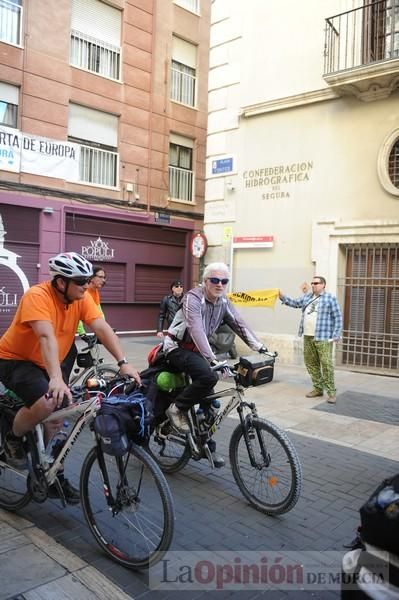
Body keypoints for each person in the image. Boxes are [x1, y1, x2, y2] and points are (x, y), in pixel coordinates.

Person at [0, 252, 141, 504]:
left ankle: (48, 469)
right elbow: (45, 337)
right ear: (61, 283)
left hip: (53, 358)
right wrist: (55, 378)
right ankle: (13, 436)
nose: (86, 285)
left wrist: (123, 363)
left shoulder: (81, 298)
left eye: (88, 280)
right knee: (47, 401)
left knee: (59, 416)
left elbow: (101, 327)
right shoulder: (37, 296)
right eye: (80, 281)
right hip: (15, 359)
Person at [163, 262, 268, 468]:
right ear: (205, 281)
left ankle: (205, 446)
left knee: (211, 403)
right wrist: (213, 360)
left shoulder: (223, 301)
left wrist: (260, 347)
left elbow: (239, 323)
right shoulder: (192, 299)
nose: (219, 284)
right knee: (209, 376)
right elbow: (196, 330)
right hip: (177, 348)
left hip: (199, 351)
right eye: (215, 280)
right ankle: (177, 409)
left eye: (224, 281)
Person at [279, 276, 342, 404]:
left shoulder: (330, 298)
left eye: (316, 283)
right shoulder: (307, 297)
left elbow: (338, 318)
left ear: (323, 285)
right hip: (307, 336)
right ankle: (318, 388)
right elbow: (295, 303)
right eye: (312, 283)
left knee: (326, 364)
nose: (313, 285)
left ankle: (331, 393)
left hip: (324, 337)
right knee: (310, 363)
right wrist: (282, 297)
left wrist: (336, 335)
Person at [77, 265, 106, 335]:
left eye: (104, 277)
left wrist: (104, 328)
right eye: (100, 277)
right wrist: (82, 333)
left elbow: (99, 312)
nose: (103, 280)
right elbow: (76, 314)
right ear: (91, 277)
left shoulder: (95, 291)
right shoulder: (83, 291)